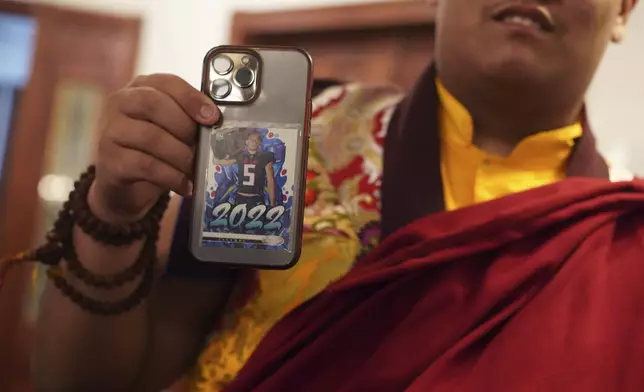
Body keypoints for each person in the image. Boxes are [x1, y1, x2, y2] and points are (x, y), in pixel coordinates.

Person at [28, 0, 641, 391]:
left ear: (623, 11)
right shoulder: (288, 144)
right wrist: (114, 210)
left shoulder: (619, 244)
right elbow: (95, 380)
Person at [211, 129, 277, 209]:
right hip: (240, 197)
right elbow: (221, 162)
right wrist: (217, 145)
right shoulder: (240, 155)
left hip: (257, 198)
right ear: (247, 142)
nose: (254, 142)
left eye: (257, 140)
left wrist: (273, 203)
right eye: (252, 140)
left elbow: (271, 181)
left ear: (260, 142)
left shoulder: (265, 157)